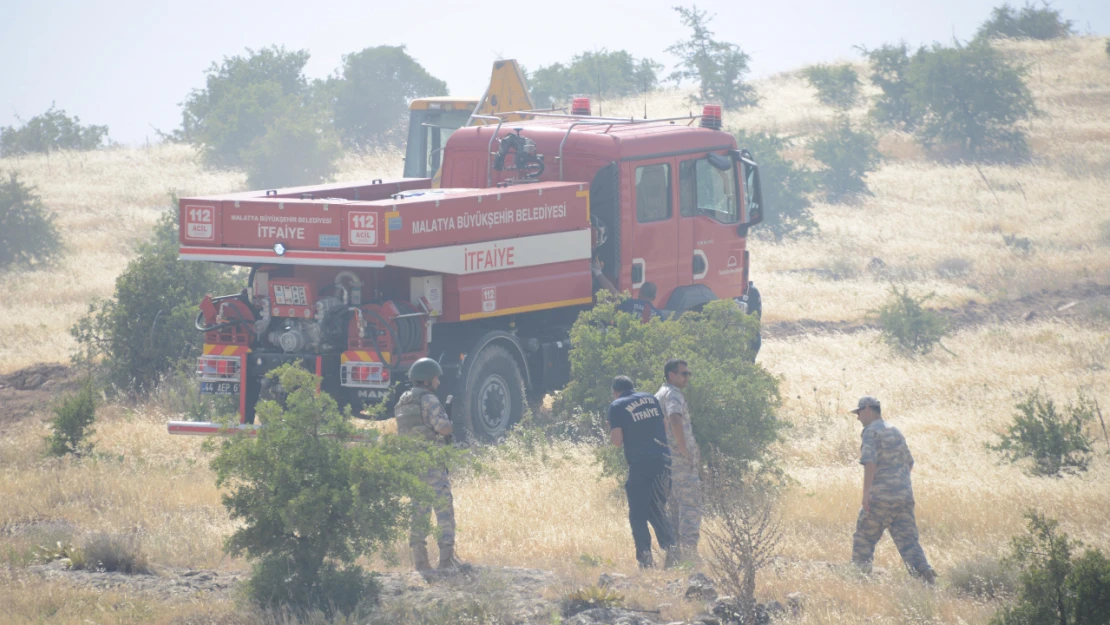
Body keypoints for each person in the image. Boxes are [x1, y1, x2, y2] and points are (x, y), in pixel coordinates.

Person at [850, 396, 936, 583]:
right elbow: (910, 462)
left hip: (879, 498)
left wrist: (867, 494)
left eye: (858, 412)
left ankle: (858, 582)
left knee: (863, 539)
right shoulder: (896, 431)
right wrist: (898, 485)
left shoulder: (870, 432)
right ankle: (926, 578)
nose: (857, 418)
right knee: (909, 544)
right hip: (904, 498)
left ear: (867, 409)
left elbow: (870, 462)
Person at [395, 358, 462, 572]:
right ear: (427, 380)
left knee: (419, 510)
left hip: (413, 464)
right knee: (443, 508)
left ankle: (420, 561)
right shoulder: (429, 399)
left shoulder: (402, 402)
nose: (438, 383)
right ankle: (446, 559)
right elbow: (442, 428)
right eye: (436, 378)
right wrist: (450, 425)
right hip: (432, 462)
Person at [608, 375, 675, 568]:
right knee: (656, 509)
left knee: (637, 514)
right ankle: (673, 551)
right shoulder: (650, 398)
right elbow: (664, 425)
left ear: (615, 393)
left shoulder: (617, 406)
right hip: (664, 460)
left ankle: (645, 561)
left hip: (641, 465)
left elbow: (617, 441)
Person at [656, 358, 701, 566]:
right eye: (683, 374)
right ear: (671, 375)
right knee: (690, 504)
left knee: (673, 508)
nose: (687, 377)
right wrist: (684, 451)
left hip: (666, 460)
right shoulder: (673, 394)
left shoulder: (660, 393)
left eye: (688, 373)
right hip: (679, 460)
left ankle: (673, 557)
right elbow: (674, 418)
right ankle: (690, 555)